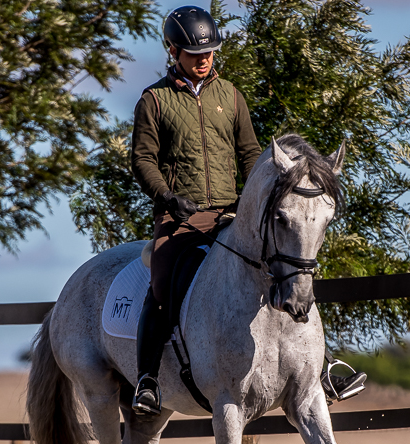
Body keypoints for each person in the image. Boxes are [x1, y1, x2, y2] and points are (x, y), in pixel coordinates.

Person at [129, 5, 365, 416]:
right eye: (194, 54)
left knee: (287, 266)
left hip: (232, 213)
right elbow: (142, 159)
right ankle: (147, 380)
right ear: (173, 51)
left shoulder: (230, 95)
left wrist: (254, 202)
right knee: (162, 283)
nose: (204, 60)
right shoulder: (154, 100)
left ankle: (322, 368)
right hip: (181, 217)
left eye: (209, 53)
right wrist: (167, 197)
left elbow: (252, 155)